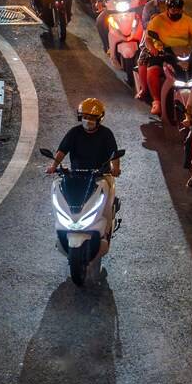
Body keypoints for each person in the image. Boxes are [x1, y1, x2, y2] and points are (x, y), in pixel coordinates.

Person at [45, 98, 120, 265]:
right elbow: (61, 151)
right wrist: (53, 166)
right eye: (85, 117)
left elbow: (114, 154)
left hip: (100, 175)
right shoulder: (74, 132)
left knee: (106, 203)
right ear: (80, 117)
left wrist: (115, 168)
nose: (89, 121)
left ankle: (106, 228)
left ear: (99, 119)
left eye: (92, 118)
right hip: (76, 175)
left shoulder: (106, 134)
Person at [140, 0, 192, 115]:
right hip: (163, 52)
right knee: (153, 70)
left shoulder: (188, 20)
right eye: (173, 9)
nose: (176, 11)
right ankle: (156, 101)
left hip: (183, 53)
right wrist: (152, 49)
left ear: (182, 9)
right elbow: (148, 39)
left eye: (178, 9)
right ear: (168, 8)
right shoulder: (158, 20)